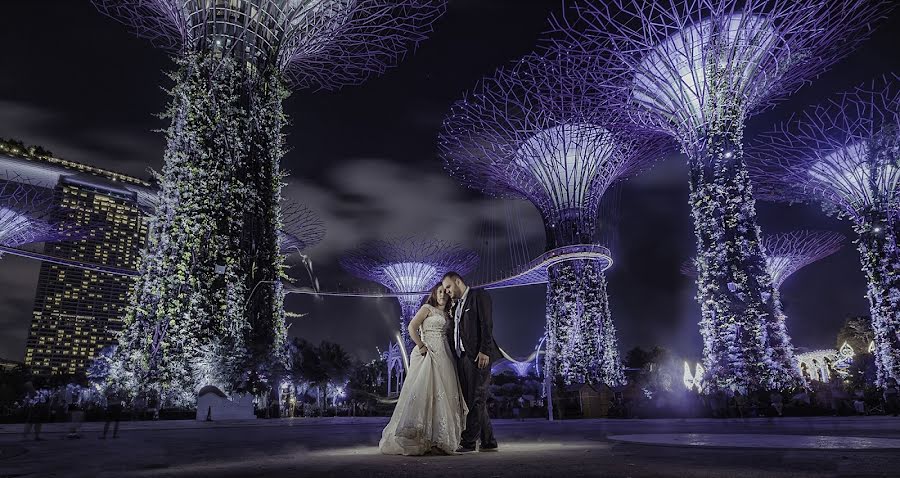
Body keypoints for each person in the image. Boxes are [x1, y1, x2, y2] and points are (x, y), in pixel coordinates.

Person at [379, 284, 468, 455]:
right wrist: (420, 345)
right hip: (427, 353)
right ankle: (420, 438)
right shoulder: (427, 308)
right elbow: (411, 327)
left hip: (444, 355)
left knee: (444, 394)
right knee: (423, 391)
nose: (443, 295)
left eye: (445, 292)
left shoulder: (447, 314)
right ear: (434, 294)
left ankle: (438, 439)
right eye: (439, 292)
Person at [442, 271, 502, 453]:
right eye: (444, 289)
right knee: (474, 400)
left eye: (448, 287)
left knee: (477, 397)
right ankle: (489, 441)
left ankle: (468, 442)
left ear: (458, 281)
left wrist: (485, 350)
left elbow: (486, 324)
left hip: (478, 356)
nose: (446, 292)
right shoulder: (457, 305)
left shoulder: (478, 296)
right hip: (463, 358)